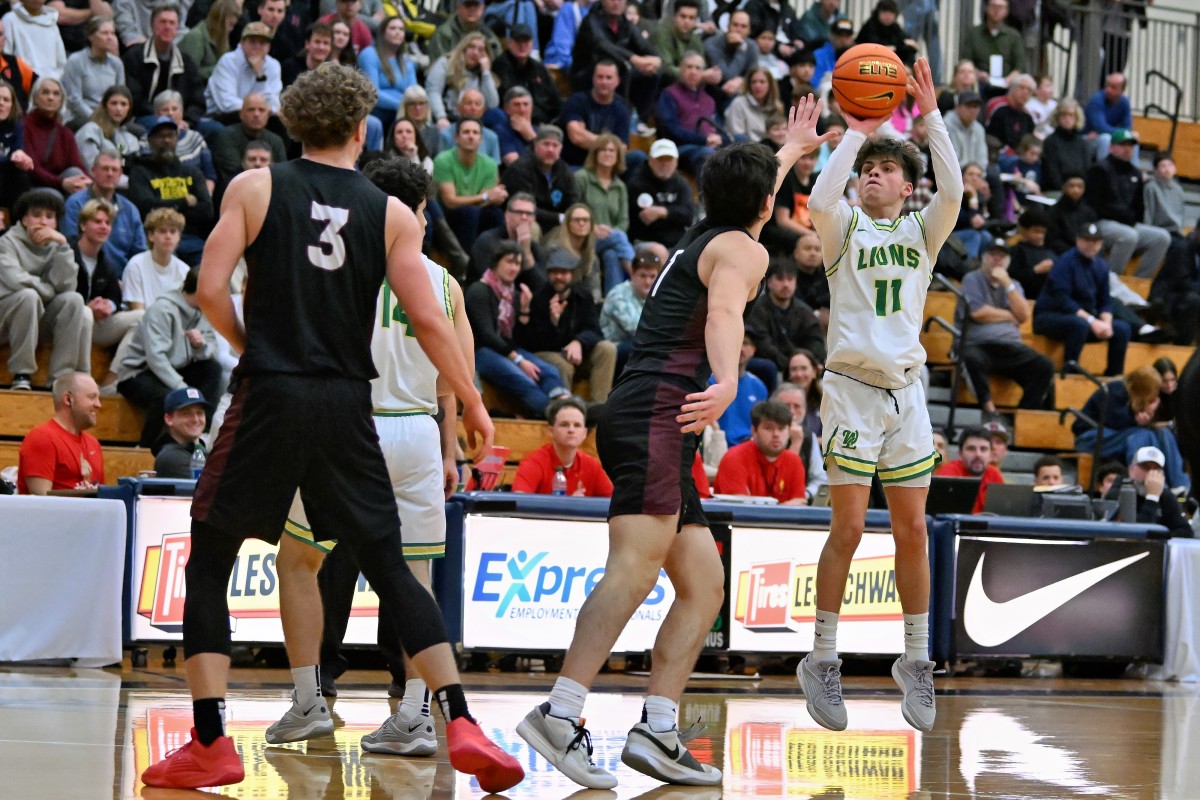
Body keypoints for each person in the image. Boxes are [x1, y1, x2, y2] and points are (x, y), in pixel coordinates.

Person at [138, 63, 520, 792]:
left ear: (290, 126)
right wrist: (472, 402)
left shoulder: (253, 188)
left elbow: (209, 291)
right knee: (390, 561)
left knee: (212, 559)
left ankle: (212, 739)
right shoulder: (393, 213)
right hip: (351, 405)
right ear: (358, 131)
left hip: (272, 394)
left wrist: (254, 347)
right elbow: (434, 321)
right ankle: (460, 716)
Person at [515, 96, 833, 790]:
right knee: (633, 567)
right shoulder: (743, 249)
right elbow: (723, 312)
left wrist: (788, 151)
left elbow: (746, 196)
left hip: (655, 411)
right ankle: (560, 713)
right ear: (764, 206)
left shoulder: (706, 232)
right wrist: (728, 378)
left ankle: (658, 729)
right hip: (662, 408)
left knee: (703, 584)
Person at [268, 156, 486, 762]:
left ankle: (310, 701)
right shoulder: (445, 283)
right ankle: (415, 715)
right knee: (414, 578)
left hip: (346, 427)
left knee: (299, 561)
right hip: (416, 432)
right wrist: (449, 446)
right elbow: (456, 378)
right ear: (420, 210)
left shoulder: (336, 266)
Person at [798, 58, 960, 735]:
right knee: (848, 529)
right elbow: (817, 201)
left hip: (906, 397)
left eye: (887, 168)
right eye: (869, 168)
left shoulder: (924, 233)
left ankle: (916, 660)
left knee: (913, 530)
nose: (874, 173)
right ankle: (822, 657)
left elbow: (950, 190)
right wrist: (855, 132)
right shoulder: (842, 231)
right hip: (850, 394)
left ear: (907, 185)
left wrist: (928, 119)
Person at [117, 265, 222, 446]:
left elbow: (212, 347)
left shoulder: (205, 310)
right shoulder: (162, 309)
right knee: (165, 397)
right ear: (200, 291)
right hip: (139, 372)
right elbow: (156, 359)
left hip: (178, 367)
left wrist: (200, 346)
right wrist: (183, 389)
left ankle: (203, 437)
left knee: (213, 369)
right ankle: (145, 447)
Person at [0, 190, 91, 391]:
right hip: (5, 316)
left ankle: (61, 378)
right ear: (24, 219)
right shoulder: (6, 242)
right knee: (27, 296)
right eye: (37, 215)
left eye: (49, 217)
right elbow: (15, 280)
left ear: (56, 224)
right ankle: (21, 373)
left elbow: (67, 287)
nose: (43, 221)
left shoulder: (57, 245)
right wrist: (48, 290)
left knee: (74, 300)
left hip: (37, 317)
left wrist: (63, 246)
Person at [466, 240, 568, 415]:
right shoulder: (479, 290)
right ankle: (558, 415)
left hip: (504, 349)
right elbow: (486, 334)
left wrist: (525, 311)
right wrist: (519, 361)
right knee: (524, 379)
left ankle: (568, 406)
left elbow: (521, 340)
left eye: (518, 264)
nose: (514, 268)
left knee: (550, 371)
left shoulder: (514, 295)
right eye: (509, 262)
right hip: (479, 352)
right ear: (496, 263)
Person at [956, 237, 1054, 414]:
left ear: (1008, 261)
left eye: (1002, 256)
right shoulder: (972, 279)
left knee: (1044, 365)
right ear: (983, 257)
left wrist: (1007, 284)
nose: (997, 259)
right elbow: (978, 313)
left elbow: (1023, 316)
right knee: (971, 357)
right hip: (978, 345)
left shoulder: (1014, 285)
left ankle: (1023, 415)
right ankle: (989, 409)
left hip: (1010, 347)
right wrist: (1010, 315)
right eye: (993, 255)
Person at [1032, 222, 1131, 377]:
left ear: (1101, 243)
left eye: (1095, 241)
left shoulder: (1101, 266)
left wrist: (1106, 322)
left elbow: (1105, 299)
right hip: (1051, 316)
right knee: (1079, 325)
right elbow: (1063, 301)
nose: (1091, 245)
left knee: (1122, 329)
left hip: (1084, 319)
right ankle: (1070, 371)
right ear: (1078, 240)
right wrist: (1092, 321)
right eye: (1087, 240)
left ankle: (1113, 376)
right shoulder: (1065, 262)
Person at [1074, 365, 1190, 494]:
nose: (1156, 394)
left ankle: (1181, 485)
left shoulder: (1137, 397)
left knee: (1163, 433)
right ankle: (1148, 486)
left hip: (1117, 435)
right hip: (1090, 436)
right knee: (1141, 435)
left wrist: (1147, 417)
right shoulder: (1116, 390)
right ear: (1143, 388)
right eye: (1154, 389)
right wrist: (1140, 419)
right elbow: (1115, 422)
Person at [519, 247, 617, 402]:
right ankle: (563, 410)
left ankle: (600, 409)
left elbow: (595, 331)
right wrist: (553, 322)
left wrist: (579, 342)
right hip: (548, 354)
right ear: (548, 274)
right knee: (563, 365)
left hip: (578, 355)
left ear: (572, 275)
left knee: (607, 349)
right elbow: (533, 343)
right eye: (554, 272)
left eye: (564, 272)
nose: (559, 277)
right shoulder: (538, 298)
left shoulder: (583, 296)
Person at [71, 198, 143, 391]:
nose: (103, 227)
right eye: (97, 221)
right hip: (67, 322)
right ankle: (83, 378)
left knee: (142, 317)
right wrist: (88, 307)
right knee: (85, 314)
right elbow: (59, 292)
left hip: (95, 324)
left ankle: (111, 381)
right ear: (83, 225)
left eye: (107, 223)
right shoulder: (67, 252)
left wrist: (108, 306)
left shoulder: (106, 262)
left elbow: (115, 299)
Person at [126, 115, 213, 265]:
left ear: (177, 139)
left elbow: (207, 211)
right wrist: (184, 201)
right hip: (156, 240)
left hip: (192, 240)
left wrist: (162, 206)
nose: (166, 141)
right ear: (150, 140)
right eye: (160, 136)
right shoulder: (140, 172)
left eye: (170, 136)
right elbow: (145, 207)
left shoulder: (191, 172)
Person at [1085, 129, 1169, 279]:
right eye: (1123, 145)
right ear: (1111, 148)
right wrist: (1124, 216)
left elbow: (1139, 206)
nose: (1127, 149)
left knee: (1162, 237)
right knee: (1128, 236)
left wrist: (1133, 218)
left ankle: (1138, 281)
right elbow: (1093, 205)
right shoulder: (1099, 170)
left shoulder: (1135, 173)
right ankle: (1110, 280)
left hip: (1128, 223)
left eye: (1130, 145)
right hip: (1102, 222)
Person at [17, 371, 103, 494]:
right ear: (68, 399)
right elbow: (41, 503)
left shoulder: (93, 444)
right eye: (91, 397)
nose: (98, 404)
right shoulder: (42, 438)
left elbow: (103, 499)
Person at [63, 149, 147, 275]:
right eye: (105, 168)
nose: (110, 174)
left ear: (120, 174)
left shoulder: (130, 210)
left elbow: (139, 253)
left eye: (114, 170)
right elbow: (69, 245)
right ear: (93, 171)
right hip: (85, 275)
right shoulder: (75, 204)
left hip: (124, 279)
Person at [121, 3, 206, 126]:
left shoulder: (186, 61)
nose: (167, 27)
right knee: (163, 125)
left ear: (177, 28)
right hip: (146, 117)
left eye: (172, 23)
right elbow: (134, 99)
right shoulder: (134, 57)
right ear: (152, 26)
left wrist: (187, 120)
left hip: (182, 119)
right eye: (162, 22)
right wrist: (167, 117)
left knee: (215, 129)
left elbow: (198, 100)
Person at [574, 133, 636, 294]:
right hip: (584, 236)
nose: (608, 154)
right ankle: (637, 274)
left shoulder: (620, 186)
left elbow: (623, 221)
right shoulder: (582, 178)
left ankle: (611, 300)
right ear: (595, 154)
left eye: (612, 151)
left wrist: (610, 232)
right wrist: (592, 227)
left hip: (610, 239)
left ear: (618, 156)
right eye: (603, 150)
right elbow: (574, 210)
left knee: (611, 255)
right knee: (619, 238)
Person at [514, 396, 613, 495]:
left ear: (584, 433)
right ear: (551, 431)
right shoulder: (534, 463)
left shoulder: (592, 466)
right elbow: (518, 501)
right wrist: (570, 505)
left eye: (577, 425)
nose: (571, 430)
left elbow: (613, 502)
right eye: (564, 424)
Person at [714, 399, 808, 504]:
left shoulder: (794, 460)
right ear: (754, 431)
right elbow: (739, 505)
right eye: (768, 428)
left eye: (781, 428)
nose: (776, 434)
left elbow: (800, 500)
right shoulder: (734, 458)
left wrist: (779, 511)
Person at [433, 117, 505, 250]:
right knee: (470, 212)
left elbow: (489, 200)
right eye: (466, 132)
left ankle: (495, 257)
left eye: (475, 132)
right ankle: (467, 263)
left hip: (476, 212)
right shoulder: (443, 160)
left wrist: (488, 198)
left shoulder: (490, 164)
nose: (471, 136)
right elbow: (450, 201)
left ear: (481, 139)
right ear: (456, 138)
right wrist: (484, 197)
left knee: (495, 213)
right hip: (447, 216)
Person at [655, 52, 724, 177]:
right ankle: (707, 197)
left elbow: (718, 126)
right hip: (681, 149)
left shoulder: (709, 100)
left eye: (698, 68)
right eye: (689, 67)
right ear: (680, 70)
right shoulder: (669, 94)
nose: (693, 72)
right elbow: (671, 130)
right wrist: (704, 140)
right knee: (707, 155)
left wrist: (717, 138)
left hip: (710, 146)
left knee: (742, 144)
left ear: (703, 73)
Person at [502, 124, 579, 233]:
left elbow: (573, 201)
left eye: (555, 145)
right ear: (535, 145)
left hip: (556, 226)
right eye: (546, 144)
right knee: (532, 228)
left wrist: (572, 217)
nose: (550, 149)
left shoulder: (564, 170)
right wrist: (559, 218)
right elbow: (524, 208)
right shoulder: (520, 168)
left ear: (561, 148)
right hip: (524, 222)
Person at [23, 77, 92, 195]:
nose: (51, 97)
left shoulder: (65, 133)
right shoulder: (23, 127)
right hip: (32, 186)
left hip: (60, 184)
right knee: (55, 195)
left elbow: (77, 164)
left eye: (56, 94)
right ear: (35, 98)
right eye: (45, 92)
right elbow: (32, 169)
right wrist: (60, 182)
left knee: (76, 173)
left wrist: (90, 182)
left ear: (61, 100)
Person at [1102, 446, 1192, 537]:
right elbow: (1136, 533)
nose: (1150, 473)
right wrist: (1152, 498)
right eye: (1145, 467)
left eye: (1156, 469)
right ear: (1131, 470)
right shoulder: (1119, 490)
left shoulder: (1166, 496)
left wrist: (1161, 536)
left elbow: (1185, 532)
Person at [560, 59, 633, 168]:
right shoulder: (577, 101)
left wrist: (590, 139)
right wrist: (610, 145)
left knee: (637, 158)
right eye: (600, 77)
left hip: (609, 166)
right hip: (577, 164)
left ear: (617, 81)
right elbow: (577, 136)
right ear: (593, 79)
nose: (604, 82)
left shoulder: (622, 108)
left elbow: (622, 147)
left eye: (608, 78)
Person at [211, 93, 287, 195]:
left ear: (268, 114)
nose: (256, 114)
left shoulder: (276, 140)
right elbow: (233, 172)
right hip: (235, 191)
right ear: (241, 114)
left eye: (261, 110)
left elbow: (282, 173)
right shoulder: (227, 136)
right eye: (251, 110)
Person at [205, 21, 282, 121]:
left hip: (258, 119)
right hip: (222, 117)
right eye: (252, 41)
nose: (257, 47)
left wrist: (260, 76)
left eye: (262, 43)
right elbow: (227, 104)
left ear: (269, 47)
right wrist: (261, 109)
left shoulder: (273, 65)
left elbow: (274, 104)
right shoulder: (228, 61)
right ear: (242, 43)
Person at [626, 139, 695, 248]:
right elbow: (646, 219)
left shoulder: (681, 183)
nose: (664, 164)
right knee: (660, 251)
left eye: (668, 159)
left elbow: (689, 216)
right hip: (645, 242)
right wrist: (675, 214)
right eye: (659, 159)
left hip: (678, 242)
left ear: (676, 162)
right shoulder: (637, 183)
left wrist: (663, 212)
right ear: (650, 160)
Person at [468, 192, 545, 285]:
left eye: (529, 214)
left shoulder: (534, 248)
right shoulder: (487, 241)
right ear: (507, 215)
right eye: (519, 212)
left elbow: (541, 289)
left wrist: (526, 253)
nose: (524, 217)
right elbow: (492, 281)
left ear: (534, 219)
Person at [426, 32, 500, 129]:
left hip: (475, 123)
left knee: (497, 116)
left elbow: (493, 104)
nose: (475, 52)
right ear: (463, 48)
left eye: (480, 50)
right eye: (471, 47)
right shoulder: (445, 64)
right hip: (448, 118)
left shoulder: (483, 75)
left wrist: (486, 72)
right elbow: (433, 92)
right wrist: (441, 117)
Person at [61, 17, 126, 127]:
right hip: (80, 118)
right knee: (95, 132)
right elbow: (74, 100)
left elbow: (120, 96)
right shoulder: (76, 61)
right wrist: (97, 119)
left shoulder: (117, 63)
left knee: (132, 136)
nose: (110, 38)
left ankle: (121, 145)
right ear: (91, 36)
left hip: (109, 117)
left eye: (112, 33)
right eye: (105, 33)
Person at [493, 23, 562, 126]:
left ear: (532, 44)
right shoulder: (501, 65)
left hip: (545, 121)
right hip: (515, 121)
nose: (522, 46)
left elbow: (555, 98)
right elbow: (509, 96)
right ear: (509, 43)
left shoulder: (538, 67)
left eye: (526, 41)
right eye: (518, 41)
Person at [121, 207, 189, 311]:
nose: (168, 236)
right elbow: (137, 311)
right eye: (162, 231)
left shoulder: (184, 270)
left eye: (173, 231)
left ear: (179, 237)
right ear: (151, 235)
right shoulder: (136, 265)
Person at [770, 380, 828, 501]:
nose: (791, 412)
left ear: (805, 409)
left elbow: (820, 478)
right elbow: (779, 483)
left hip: (800, 503)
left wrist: (805, 494)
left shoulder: (809, 436)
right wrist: (796, 442)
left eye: (797, 406)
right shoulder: (764, 434)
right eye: (786, 406)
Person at [358, 17, 417, 131]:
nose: (397, 32)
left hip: (402, 110)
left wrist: (411, 105)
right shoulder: (369, 55)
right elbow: (373, 93)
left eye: (401, 29)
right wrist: (402, 105)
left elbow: (413, 91)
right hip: (378, 110)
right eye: (392, 28)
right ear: (382, 32)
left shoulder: (406, 60)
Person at [599, 246, 659, 354]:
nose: (648, 282)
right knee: (643, 344)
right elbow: (637, 329)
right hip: (614, 351)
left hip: (641, 345)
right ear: (632, 274)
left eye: (652, 276)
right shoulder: (618, 295)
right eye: (643, 276)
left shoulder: (659, 296)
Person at [935, 426, 1004, 513]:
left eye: (983, 449)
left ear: (990, 454)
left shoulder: (994, 475)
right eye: (971, 449)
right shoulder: (948, 473)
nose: (978, 454)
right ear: (960, 453)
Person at [75, 85, 140, 172]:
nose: (118, 109)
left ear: (129, 108)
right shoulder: (90, 130)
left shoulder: (127, 138)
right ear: (105, 106)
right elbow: (91, 166)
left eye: (123, 104)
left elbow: (127, 163)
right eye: (113, 103)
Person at [961, 0, 1024, 90]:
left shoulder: (1014, 36)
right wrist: (977, 73)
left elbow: (1020, 66)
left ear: (1006, 11)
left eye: (1000, 7)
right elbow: (965, 60)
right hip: (979, 84)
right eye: (994, 6)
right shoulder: (973, 33)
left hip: (1006, 85)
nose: (996, 11)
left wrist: (1010, 78)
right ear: (987, 8)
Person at [1, 0, 66, 81]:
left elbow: (61, 62)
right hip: (22, 83)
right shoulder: (10, 20)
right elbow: (6, 57)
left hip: (50, 82)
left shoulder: (51, 21)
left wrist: (51, 80)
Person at [153, 384, 208, 477]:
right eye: (186, 414)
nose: (195, 419)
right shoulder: (171, 457)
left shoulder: (198, 452)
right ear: (169, 419)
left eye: (199, 413)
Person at [179, 0, 240, 80]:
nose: (231, 29)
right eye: (230, 25)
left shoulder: (221, 38)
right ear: (220, 21)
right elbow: (189, 72)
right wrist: (220, 69)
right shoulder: (196, 37)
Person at [426, 0, 503, 63]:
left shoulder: (488, 35)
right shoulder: (445, 34)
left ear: (482, 8)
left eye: (476, 6)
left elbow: (497, 60)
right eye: (468, 5)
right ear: (458, 7)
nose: (472, 10)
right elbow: (438, 67)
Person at [1040, 99, 1090, 192]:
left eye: (1071, 115)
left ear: (1077, 118)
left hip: (1080, 192)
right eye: (1063, 115)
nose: (1067, 119)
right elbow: (1052, 173)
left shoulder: (1082, 143)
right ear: (1057, 118)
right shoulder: (1050, 142)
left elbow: (1087, 170)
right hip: (1057, 191)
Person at [725, 67, 784, 144]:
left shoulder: (777, 107)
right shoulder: (738, 103)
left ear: (770, 85)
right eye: (753, 82)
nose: (757, 86)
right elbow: (736, 136)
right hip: (747, 150)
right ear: (749, 85)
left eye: (762, 82)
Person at [1083, 72, 1132, 160]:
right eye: (1107, 86)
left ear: (1122, 90)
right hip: (1087, 138)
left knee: (1131, 139)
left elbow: (1128, 127)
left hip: (1105, 136)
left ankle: (1132, 172)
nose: (1108, 90)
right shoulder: (1096, 100)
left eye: (1113, 87)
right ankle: (1104, 171)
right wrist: (1121, 133)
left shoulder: (1125, 102)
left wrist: (1125, 134)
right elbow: (1101, 128)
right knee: (1105, 139)